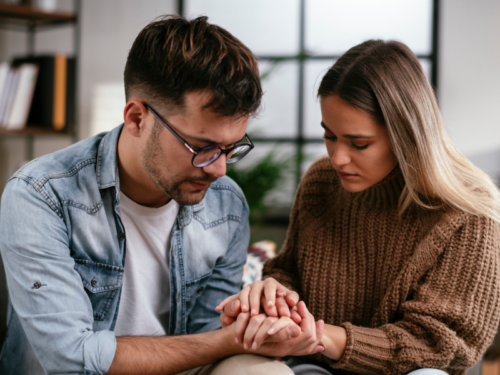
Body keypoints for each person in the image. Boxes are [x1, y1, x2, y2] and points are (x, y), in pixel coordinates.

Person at [0, 15, 322, 375]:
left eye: (231, 148)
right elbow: (71, 358)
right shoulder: (42, 195)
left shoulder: (226, 205)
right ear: (137, 118)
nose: (220, 169)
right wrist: (229, 339)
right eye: (202, 146)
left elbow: (207, 335)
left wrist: (262, 331)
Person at [218, 40, 500, 375]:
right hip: (312, 368)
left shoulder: (468, 212)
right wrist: (275, 295)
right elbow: (289, 271)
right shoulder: (321, 182)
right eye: (330, 136)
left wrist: (321, 336)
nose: (337, 158)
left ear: (406, 135)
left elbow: (438, 345)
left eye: (359, 143)